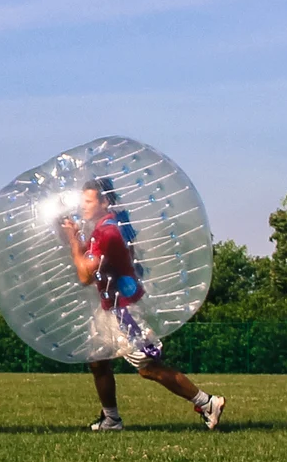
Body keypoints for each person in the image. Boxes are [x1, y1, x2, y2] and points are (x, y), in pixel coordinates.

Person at [61, 177, 224, 432]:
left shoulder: (107, 232)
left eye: (88, 201)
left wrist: (72, 240)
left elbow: (85, 276)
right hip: (110, 308)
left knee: (148, 368)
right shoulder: (104, 228)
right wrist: (79, 237)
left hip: (123, 312)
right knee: (98, 360)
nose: (83, 206)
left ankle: (207, 402)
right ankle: (111, 419)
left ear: (105, 202)